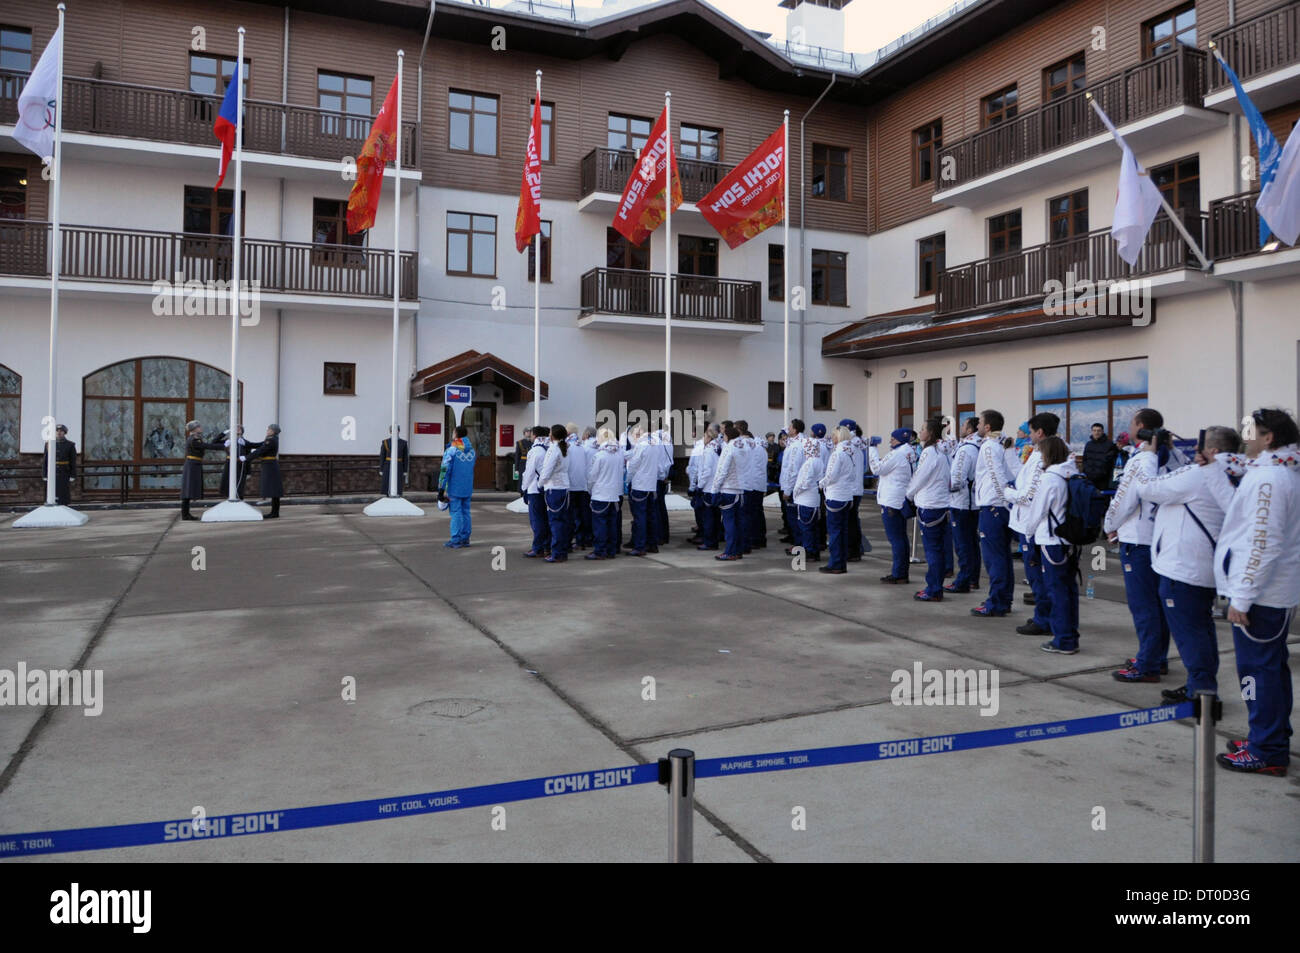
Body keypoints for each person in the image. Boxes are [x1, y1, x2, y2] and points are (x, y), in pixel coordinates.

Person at [1214, 408, 1299, 775]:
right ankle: (1269, 736)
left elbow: (1263, 542)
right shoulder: (1273, 472)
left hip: (1262, 596)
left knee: (1257, 673)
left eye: (1251, 431)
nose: (1245, 437)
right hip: (1269, 592)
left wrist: (1242, 597)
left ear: (1269, 439)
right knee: (1271, 670)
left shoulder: (1270, 479)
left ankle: (1266, 750)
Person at [1140, 425, 1240, 703]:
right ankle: (1200, 684)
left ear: (1213, 452)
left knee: (1190, 633)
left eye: (1198, 448)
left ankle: (1202, 692)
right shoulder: (1233, 473)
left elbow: (1148, 488)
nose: (1194, 453)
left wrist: (1148, 456)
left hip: (1183, 567)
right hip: (1203, 565)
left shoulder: (1199, 475)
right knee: (1201, 629)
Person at [1105, 408, 1172, 682]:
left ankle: (1147, 664)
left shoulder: (1141, 459)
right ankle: (1156, 656)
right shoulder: (1162, 456)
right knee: (1155, 605)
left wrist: (1109, 524)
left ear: (1141, 426)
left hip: (1138, 539)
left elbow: (1125, 499)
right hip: (1155, 537)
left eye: (1132, 421)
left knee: (1144, 606)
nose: (1129, 425)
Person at [1021, 436, 1081, 654]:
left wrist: (1028, 533)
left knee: (1057, 592)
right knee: (1069, 590)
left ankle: (1063, 639)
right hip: (1068, 539)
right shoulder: (1072, 474)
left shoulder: (1050, 478)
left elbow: (1038, 511)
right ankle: (1070, 634)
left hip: (1051, 540)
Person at [1005, 412, 1061, 635]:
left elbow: (1029, 495)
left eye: (1030, 432)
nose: (1027, 436)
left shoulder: (1043, 457)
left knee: (1038, 577)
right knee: (1038, 577)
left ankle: (1044, 619)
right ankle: (1044, 616)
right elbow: (1022, 478)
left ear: (1040, 432)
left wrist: (1008, 493)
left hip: (1032, 525)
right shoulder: (1041, 453)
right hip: (1031, 524)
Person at [972, 409, 1016, 617]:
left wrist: (1003, 500)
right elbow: (1008, 474)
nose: (977, 425)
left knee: (994, 558)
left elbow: (998, 476)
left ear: (988, 427)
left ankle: (996, 602)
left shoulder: (989, 446)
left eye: (980, 422)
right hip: (998, 506)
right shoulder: (997, 446)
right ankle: (1004, 599)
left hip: (993, 507)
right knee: (1003, 556)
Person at [907, 417, 951, 600]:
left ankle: (934, 589)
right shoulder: (941, 453)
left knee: (932, 550)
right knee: (938, 549)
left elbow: (920, 477)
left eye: (923, 428)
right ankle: (935, 586)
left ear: (931, 433)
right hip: (940, 504)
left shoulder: (929, 453)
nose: (920, 431)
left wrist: (908, 494)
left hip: (930, 506)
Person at [869, 429, 915, 584]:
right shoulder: (910, 452)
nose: (890, 442)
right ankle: (901, 571)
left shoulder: (896, 454)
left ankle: (899, 573)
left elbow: (877, 469)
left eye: (893, 439)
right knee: (901, 537)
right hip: (900, 498)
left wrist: (872, 449)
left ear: (899, 440)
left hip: (892, 501)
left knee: (896, 539)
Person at [946, 416, 982, 594]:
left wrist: (943, 488)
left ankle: (964, 581)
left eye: (963, 425)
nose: (960, 427)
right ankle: (973, 578)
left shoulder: (966, 449)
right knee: (972, 543)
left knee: (963, 544)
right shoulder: (980, 445)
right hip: (974, 502)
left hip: (962, 503)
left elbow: (957, 478)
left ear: (969, 430)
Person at [819, 426, 857, 574]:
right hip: (847, 495)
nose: (832, 438)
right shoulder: (851, 452)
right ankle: (841, 562)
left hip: (836, 496)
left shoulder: (837, 453)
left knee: (835, 532)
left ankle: (835, 563)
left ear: (838, 437)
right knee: (842, 531)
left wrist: (821, 484)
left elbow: (831, 475)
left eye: (833, 435)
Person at [586, 428, 624, 560]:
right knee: (612, 524)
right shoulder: (619, 454)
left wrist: (589, 489)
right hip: (614, 494)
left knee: (600, 525)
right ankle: (611, 550)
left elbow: (592, 476)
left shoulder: (599, 455)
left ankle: (600, 551)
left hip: (600, 495)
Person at [710, 424, 746, 561]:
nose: (722, 437)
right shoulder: (743, 448)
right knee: (738, 523)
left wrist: (714, 489)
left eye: (724, 435)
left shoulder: (729, 448)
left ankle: (730, 551)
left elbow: (722, 470)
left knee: (729, 523)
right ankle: (738, 550)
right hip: (740, 490)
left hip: (728, 489)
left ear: (728, 436)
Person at [788, 432, 824, 562]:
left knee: (806, 527)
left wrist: (796, 491)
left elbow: (805, 481)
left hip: (805, 499)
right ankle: (813, 550)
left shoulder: (809, 463)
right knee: (813, 527)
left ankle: (809, 550)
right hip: (813, 499)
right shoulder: (818, 461)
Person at [439, 424, 476, 548]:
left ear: (456, 434)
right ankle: (465, 538)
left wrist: (441, 488)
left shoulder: (452, 450)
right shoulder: (472, 451)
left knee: (455, 512)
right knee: (466, 512)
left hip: (454, 487)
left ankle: (455, 539)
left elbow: (445, 470)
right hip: (467, 487)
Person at [538, 423, 571, 563]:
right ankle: (562, 551)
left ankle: (557, 553)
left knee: (555, 522)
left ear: (553, 435)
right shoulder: (565, 448)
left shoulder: (553, 449)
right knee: (562, 522)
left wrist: (540, 483)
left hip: (553, 488)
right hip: (564, 487)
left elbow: (547, 470)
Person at [180, 421, 225, 520]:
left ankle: (186, 514)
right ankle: (185, 514)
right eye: (198, 426)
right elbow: (207, 446)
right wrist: (224, 446)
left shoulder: (196, 438)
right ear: (194, 429)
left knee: (189, 489)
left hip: (194, 464)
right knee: (188, 489)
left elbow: (207, 445)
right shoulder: (194, 439)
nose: (200, 428)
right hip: (192, 465)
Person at [624, 426, 658, 556]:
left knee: (640, 517)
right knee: (651, 516)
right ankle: (652, 544)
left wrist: (627, 480)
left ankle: (640, 546)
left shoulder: (641, 445)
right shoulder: (654, 445)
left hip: (640, 485)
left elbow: (633, 465)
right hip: (651, 484)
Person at [521, 425, 551, 558]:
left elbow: (529, 472)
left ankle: (538, 548)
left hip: (535, 488)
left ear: (535, 436)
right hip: (549, 488)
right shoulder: (550, 448)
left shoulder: (535, 451)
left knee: (537, 520)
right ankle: (547, 546)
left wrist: (523, 488)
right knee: (546, 519)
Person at [738, 421, 767, 551]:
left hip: (749, 484)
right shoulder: (760, 447)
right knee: (758, 513)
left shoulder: (744, 446)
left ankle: (748, 540)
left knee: (747, 514)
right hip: (759, 483)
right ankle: (759, 539)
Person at [246, 424, 284, 518]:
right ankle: (274, 512)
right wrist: (247, 444)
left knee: (273, 489)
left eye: (269, 429)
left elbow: (261, 450)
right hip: (269, 464)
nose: (267, 430)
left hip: (269, 465)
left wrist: (247, 458)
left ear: (273, 431)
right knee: (273, 489)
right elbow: (259, 445)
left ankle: (274, 512)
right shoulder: (271, 439)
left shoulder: (271, 440)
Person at [779, 419, 807, 545]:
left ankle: (798, 545)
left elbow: (792, 469)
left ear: (795, 430)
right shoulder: (794, 443)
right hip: (792, 485)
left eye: (790, 427)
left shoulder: (796, 446)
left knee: (794, 518)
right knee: (793, 519)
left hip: (792, 486)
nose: (788, 429)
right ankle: (797, 543)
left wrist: (787, 490)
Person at [694, 425, 722, 550]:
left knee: (709, 518)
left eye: (704, 436)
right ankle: (713, 540)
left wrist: (699, 486)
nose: (703, 438)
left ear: (709, 436)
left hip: (708, 488)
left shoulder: (709, 450)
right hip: (715, 487)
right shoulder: (718, 448)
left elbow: (706, 471)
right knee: (715, 517)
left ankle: (709, 542)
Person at [565, 424, 591, 550]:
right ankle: (581, 541)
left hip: (570, 485)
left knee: (570, 516)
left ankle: (568, 542)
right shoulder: (581, 445)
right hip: (582, 485)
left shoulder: (567, 445)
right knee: (582, 514)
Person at [41, 424, 77, 505]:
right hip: (51, 472)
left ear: (65, 433)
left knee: (63, 492)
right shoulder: (49, 444)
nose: (59, 432)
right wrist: (44, 474)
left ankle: (64, 506)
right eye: (57, 431)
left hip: (64, 472)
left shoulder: (70, 445)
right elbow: (45, 460)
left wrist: (73, 474)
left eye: (61, 431)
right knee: (51, 492)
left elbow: (73, 461)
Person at [1082, 423, 1120, 491]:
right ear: (1092, 432)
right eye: (1094, 430)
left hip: (1103, 480)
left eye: (1098, 430)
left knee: (1103, 500)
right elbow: (1085, 460)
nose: (1096, 433)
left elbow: (1110, 463)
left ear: (1102, 432)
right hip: (1089, 479)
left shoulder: (1109, 444)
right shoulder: (1088, 445)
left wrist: (1103, 473)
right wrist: (1086, 471)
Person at [218, 426, 252, 500]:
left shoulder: (244, 442)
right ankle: (229, 499)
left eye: (239, 428)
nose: (237, 430)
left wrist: (248, 471)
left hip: (240, 465)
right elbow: (214, 442)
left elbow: (248, 457)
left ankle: (240, 500)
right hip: (229, 464)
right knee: (228, 483)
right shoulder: (229, 441)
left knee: (239, 485)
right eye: (235, 428)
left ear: (242, 431)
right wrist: (224, 433)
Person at [378, 426, 409, 496]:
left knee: (398, 482)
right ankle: (387, 495)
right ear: (390, 432)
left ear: (399, 431)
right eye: (392, 430)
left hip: (399, 465)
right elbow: (382, 456)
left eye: (396, 430)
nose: (394, 432)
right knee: (387, 481)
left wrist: (405, 470)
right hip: (388, 465)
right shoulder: (385, 442)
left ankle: (397, 494)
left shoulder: (403, 443)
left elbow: (405, 458)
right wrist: (381, 468)